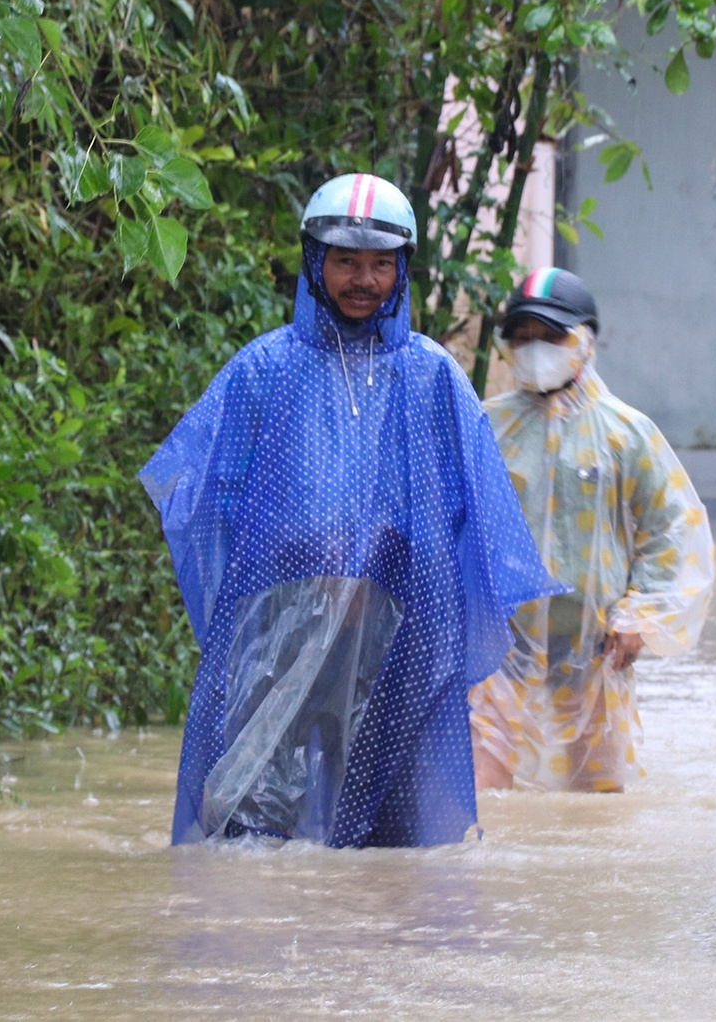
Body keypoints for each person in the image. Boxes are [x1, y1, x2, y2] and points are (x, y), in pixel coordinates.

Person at [141, 173, 563, 847]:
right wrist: (246, 615)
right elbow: (209, 500)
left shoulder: (433, 376)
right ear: (316, 261)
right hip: (283, 630)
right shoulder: (263, 369)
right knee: (255, 828)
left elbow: (478, 515)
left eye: (381, 264)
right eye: (345, 261)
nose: (364, 280)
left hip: (405, 636)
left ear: (402, 270)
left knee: (398, 842)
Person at [469, 268, 713, 793]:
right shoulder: (484, 426)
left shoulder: (627, 434)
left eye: (551, 336)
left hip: (594, 646)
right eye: (523, 337)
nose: (536, 350)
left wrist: (639, 614)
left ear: (585, 340)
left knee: (596, 802)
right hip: (499, 642)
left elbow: (673, 529)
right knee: (484, 790)